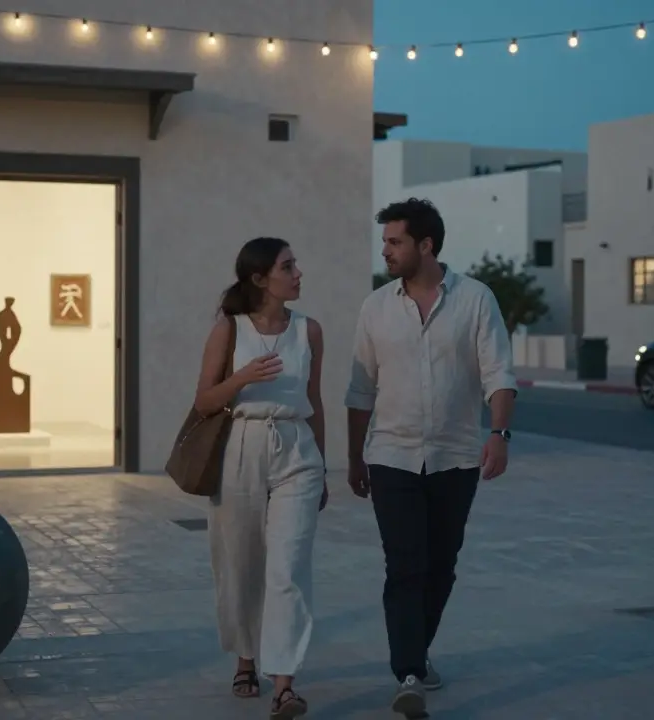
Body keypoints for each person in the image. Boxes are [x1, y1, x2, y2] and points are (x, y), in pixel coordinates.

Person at [344, 198, 518, 718]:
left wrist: (500, 434)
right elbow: (360, 391)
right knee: (405, 566)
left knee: (441, 566)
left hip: (456, 456)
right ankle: (410, 673)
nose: (386, 251)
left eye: (394, 242)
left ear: (426, 245)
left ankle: (416, 655)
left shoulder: (476, 299)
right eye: (385, 242)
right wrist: (355, 459)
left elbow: (498, 374)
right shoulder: (375, 307)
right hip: (391, 455)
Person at [193, 236, 329, 719]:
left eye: (295, 264)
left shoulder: (309, 330)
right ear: (259, 278)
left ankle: (284, 684)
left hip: (297, 451)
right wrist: (242, 378)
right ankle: (246, 658)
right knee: (242, 563)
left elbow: (314, 401)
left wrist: (324, 466)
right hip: (241, 448)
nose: (297, 274)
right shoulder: (228, 330)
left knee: (288, 569)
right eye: (287, 266)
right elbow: (204, 402)